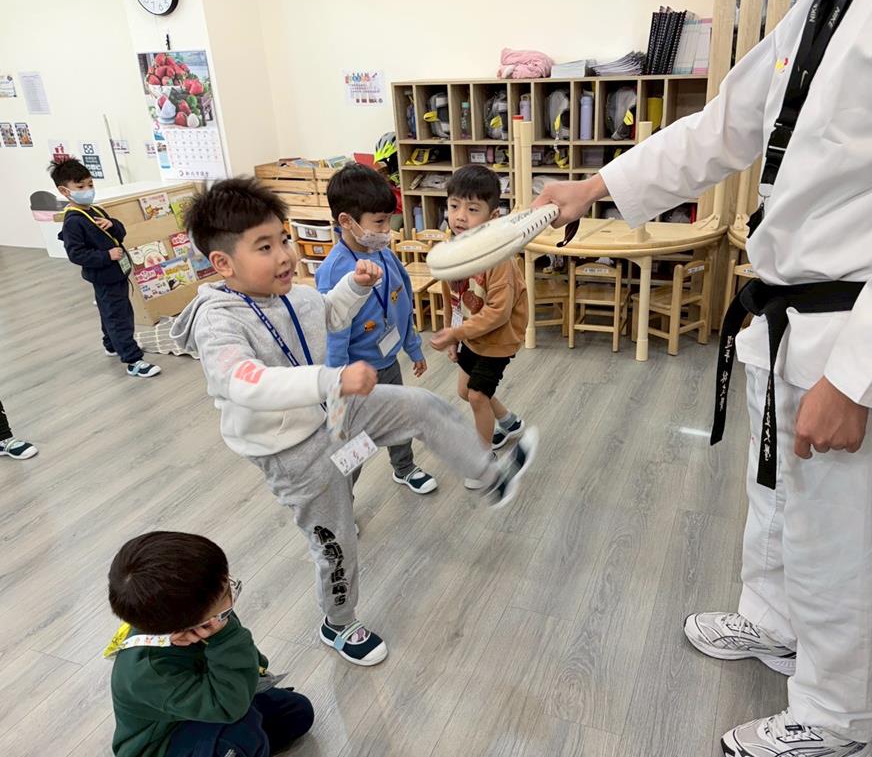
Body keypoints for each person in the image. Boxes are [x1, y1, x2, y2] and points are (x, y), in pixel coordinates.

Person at [535, 0, 872, 755]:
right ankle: (774, 620)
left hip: (863, 321)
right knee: (777, 497)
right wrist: (594, 189)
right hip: (786, 311)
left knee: (851, 535)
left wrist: (858, 378)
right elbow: (725, 125)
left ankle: (839, 716)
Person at [170, 178, 536, 667]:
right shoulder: (218, 321)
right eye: (265, 247)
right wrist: (331, 379)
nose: (285, 255)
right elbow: (242, 380)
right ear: (223, 263)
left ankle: (489, 475)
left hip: (333, 412)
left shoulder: (292, 295)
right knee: (336, 543)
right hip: (291, 452)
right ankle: (338, 623)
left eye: (283, 239)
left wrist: (354, 286)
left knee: (420, 406)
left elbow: (330, 314)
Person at [106, 531, 314, 757]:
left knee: (297, 713)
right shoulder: (148, 673)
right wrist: (225, 638)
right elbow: (229, 707)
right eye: (227, 593)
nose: (231, 592)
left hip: (207, 699)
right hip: (164, 742)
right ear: (185, 633)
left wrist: (229, 639)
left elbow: (255, 665)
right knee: (241, 733)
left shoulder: (206, 618)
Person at [316, 164, 437, 495]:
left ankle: (404, 467)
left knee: (398, 420)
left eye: (388, 221)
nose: (387, 230)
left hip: (388, 363)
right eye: (379, 222)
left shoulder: (383, 253)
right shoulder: (333, 271)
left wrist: (413, 347)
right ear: (346, 221)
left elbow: (403, 301)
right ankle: (342, 499)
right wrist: (336, 383)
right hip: (352, 375)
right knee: (353, 443)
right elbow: (333, 332)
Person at [429, 166, 528, 486]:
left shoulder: (500, 259)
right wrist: (452, 334)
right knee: (464, 390)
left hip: (499, 339)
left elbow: (498, 313)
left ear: (493, 216)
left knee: (476, 396)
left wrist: (456, 333)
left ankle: (484, 462)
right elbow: (451, 295)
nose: (460, 216)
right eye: (454, 205)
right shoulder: (452, 250)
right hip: (471, 334)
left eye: (472, 209)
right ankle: (508, 422)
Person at [50, 158, 160, 378]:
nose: (88, 190)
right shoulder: (73, 221)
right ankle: (132, 359)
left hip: (116, 272)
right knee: (119, 316)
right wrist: (106, 255)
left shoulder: (95, 210)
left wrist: (113, 225)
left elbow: (119, 233)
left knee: (110, 310)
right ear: (64, 191)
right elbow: (76, 254)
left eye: (90, 184)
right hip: (104, 275)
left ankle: (111, 344)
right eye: (80, 187)